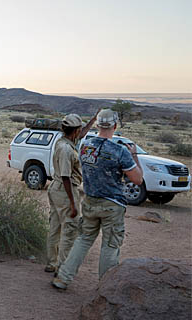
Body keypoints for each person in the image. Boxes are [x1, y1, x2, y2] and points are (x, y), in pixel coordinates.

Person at [52, 109, 143, 290]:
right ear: (115, 126)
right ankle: (106, 288)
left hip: (90, 201)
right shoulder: (120, 151)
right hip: (112, 205)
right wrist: (134, 155)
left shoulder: (84, 145)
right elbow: (138, 179)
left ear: (98, 125)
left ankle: (63, 277)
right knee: (110, 245)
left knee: (83, 239)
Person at [44, 111, 99, 274]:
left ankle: (52, 262)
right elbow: (66, 177)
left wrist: (93, 119)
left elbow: (80, 135)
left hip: (55, 187)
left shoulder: (62, 142)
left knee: (55, 227)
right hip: (65, 189)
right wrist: (73, 204)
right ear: (74, 131)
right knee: (70, 229)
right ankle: (62, 268)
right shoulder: (67, 150)